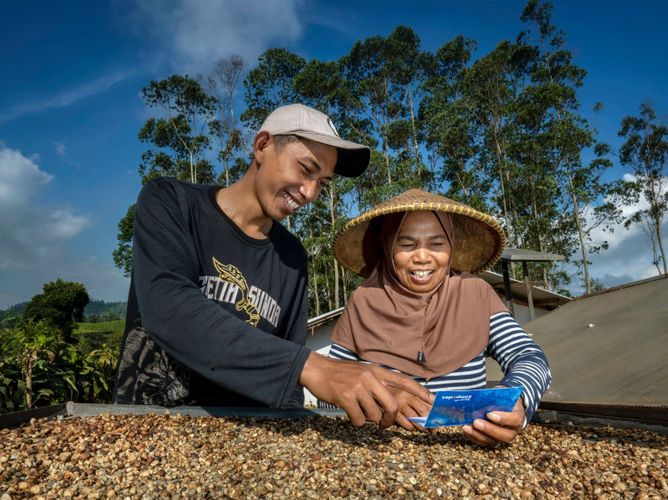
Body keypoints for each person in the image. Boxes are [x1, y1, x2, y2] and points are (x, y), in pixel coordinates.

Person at [113, 104, 433, 428]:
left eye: (322, 182)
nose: (309, 193)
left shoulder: (292, 258)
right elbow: (168, 307)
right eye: (306, 169)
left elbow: (286, 375)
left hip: (240, 439)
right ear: (262, 146)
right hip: (149, 427)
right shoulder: (171, 202)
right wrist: (313, 367)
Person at [321, 189, 552, 446]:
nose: (422, 257)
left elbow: (529, 356)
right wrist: (379, 396)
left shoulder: (475, 293)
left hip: (468, 447)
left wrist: (514, 399)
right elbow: (329, 388)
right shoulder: (362, 301)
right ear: (388, 246)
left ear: (450, 246)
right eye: (406, 244)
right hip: (379, 449)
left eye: (436, 244)